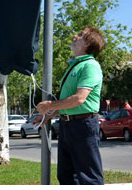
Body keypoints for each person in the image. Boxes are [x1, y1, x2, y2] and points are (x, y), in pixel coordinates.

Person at [35, 26, 106, 185]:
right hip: (67, 124)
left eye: (80, 35)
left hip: (83, 125)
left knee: (89, 177)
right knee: (67, 176)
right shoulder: (76, 65)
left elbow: (79, 99)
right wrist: (48, 115)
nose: (75, 36)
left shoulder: (90, 66)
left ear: (88, 43)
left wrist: (49, 105)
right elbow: (68, 102)